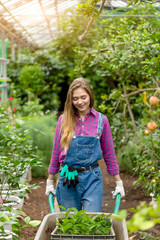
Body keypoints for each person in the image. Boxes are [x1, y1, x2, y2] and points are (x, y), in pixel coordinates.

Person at [45, 77, 125, 212]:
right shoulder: (64, 119)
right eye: (75, 99)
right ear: (71, 100)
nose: (80, 102)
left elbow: (109, 153)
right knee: (70, 224)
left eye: (83, 97)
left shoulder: (101, 120)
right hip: (68, 177)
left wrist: (118, 181)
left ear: (90, 96)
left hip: (92, 177)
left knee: (91, 222)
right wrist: (50, 180)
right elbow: (56, 152)